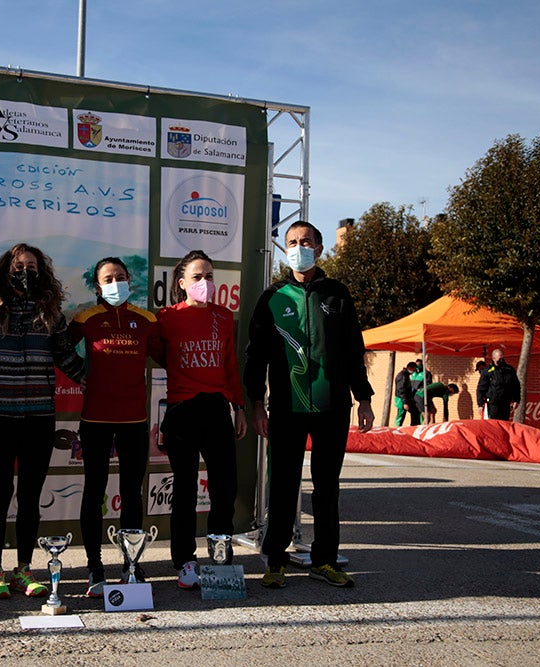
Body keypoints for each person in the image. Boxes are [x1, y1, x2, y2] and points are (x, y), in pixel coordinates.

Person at [244, 221, 374, 590]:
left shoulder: (337, 294)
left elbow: (353, 349)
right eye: (291, 242)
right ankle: (275, 561)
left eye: (305, 241)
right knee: (283, 487)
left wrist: (363, 398)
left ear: (318, 249)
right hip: (286, 408)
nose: (298, 247)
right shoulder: (273, 297)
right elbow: (256, 356)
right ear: (285, 250)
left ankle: (325, 560)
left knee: (327, 487)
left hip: (333, 407)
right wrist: (256, 402)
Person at [0, 243, 86, 600]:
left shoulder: (52, 315)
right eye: (19, 265)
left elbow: (68, 360)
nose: (26, 271)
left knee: (31, 496)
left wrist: (106, 378)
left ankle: (24, 570)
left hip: (38, 417)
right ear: (6, 271)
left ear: (43, 272)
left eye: (33, 266)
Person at [155, 249, 247, 590]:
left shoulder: (223, 316)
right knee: (185, 489)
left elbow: (230, 366)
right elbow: (156, 353)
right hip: (182, 410)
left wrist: (238, 407)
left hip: (216, 408)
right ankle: (184, 560)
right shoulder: (166, 317)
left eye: (209, 275)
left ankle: (220, 555)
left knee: (224, 487)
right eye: (197, 276)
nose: (205, 282)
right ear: (182, 283)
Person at [70, 257, 160, 597]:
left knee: (132, 494)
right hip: (95, 419)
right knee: (94, 492)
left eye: (121, 277)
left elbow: (164, 354)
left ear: (130, 280)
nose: (116, 282)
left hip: (135, 420)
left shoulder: (147, 319)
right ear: (97, 285)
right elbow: (61, 347)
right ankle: (95, 567)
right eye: (108, 278)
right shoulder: (85, 318)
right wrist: (81, 374)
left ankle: (131, 565)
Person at [476, 348, 521, 420]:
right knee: (493, 424)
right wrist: (480, 404)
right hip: (492, 404)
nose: (501, 360)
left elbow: (515, 386)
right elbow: (481, 389)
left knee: (504, 424)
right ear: (493, 358)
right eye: (499, 358)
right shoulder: (488, 371)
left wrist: (516, 400)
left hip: (505, 403)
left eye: (502, 358)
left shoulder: (509, 370)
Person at [393, 361, 420, 426]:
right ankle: (396, 429)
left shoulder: (405, 375)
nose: (414, 371)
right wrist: (405, 402)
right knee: (401, 415)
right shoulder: (402, 376)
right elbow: (401, 389)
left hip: (405, 398)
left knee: (414, 412)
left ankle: (414, 425)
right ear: (410, 368)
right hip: (401, 399)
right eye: (413, 369)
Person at [410, 359, 433, 423]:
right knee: (415, 414)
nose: (418, 366)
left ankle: (424, 425)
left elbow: (429, 384)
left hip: (421, 396)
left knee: (424, 413)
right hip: (413, 397)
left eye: (419, 364)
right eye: (416, 365)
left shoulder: (426, 373)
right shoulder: (414, 374)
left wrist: (421, 389)